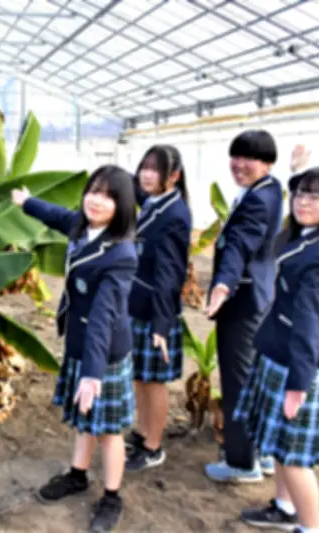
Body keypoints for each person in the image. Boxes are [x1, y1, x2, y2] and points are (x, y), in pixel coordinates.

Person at [232, 167, 319, 533]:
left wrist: (298, 385)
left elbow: (310, 323)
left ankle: (311, 528)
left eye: (315, 195)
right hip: (280, 353)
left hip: (295, 364)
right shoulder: (307, 236)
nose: (303, 200)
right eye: (300, 193)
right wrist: (296, 171)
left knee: (292, 456)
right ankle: (284, 508)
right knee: (280, 446)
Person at [11, 165, 138, 532]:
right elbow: (58, 216)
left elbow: (103, 317)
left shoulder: (121, 255)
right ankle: (77, 474)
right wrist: (27, 202)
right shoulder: (83, 227)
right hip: (80, 344)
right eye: (93, 191)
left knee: (109, 429)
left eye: (108, 195)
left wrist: (92, 375)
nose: (96, 200)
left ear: (123, 205)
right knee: (85, 421)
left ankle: (113, 497)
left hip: (104, 353)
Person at [203, 130, 287, 483]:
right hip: (258, 294)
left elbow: (239, 244)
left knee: (238, 380)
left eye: (248, 158)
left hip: (243, 299)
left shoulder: (258, 200)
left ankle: (241, 462)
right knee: (253, 377)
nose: (239, 164)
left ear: (267, 162)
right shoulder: (268, 190)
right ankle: (262, 453)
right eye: (235, 156)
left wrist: (223, 283)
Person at [124, 145, 192, 472]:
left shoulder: (175, 214)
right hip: (138, 304)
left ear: (174, 176)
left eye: (155, 169)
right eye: (144, 167)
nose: (147, 175)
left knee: (154, 381)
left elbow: (170, 275)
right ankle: (143, 431)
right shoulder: (154, 201)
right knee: (140, 375)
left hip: (156, 310)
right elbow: (134, 188)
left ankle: (154, 446)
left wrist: (161, 325)